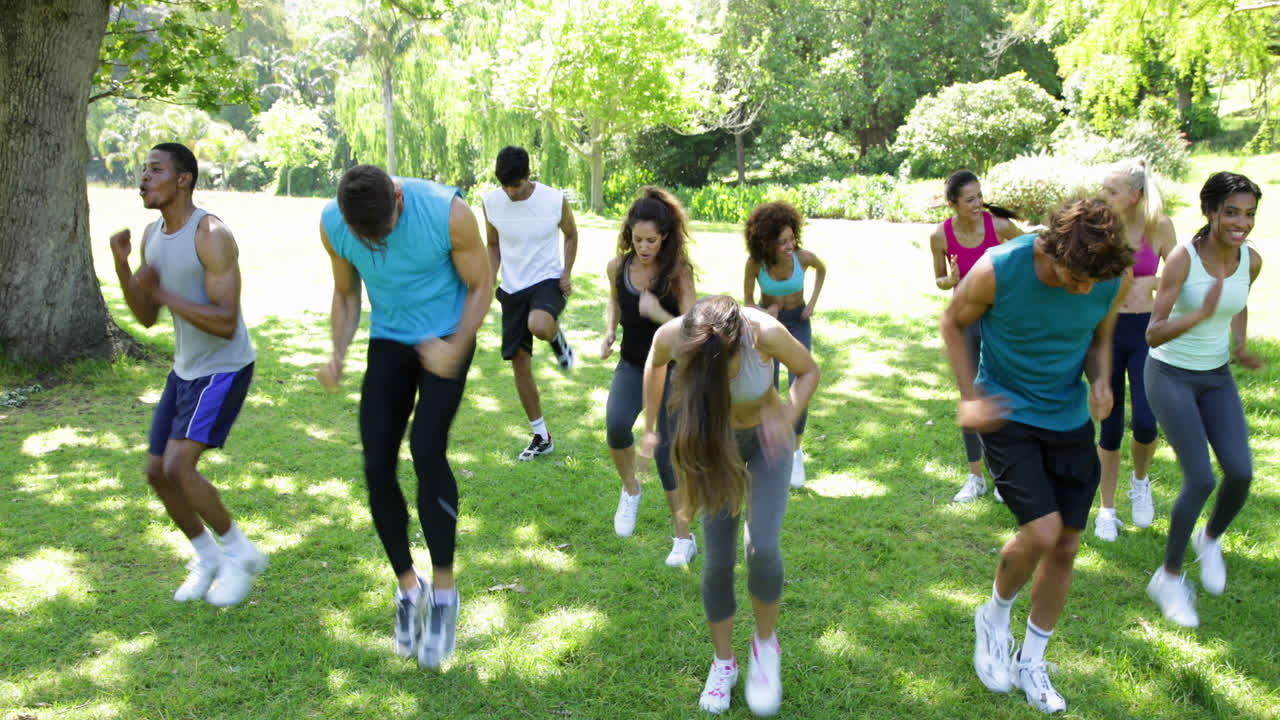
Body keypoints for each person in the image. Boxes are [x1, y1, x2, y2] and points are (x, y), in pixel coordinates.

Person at [941, 198, 1133, 714]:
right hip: (1008, 414)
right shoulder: (999, 270)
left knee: (1067, 546)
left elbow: (1101, 335)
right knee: (1042, 533)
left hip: (1068, 419)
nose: (1085, 290)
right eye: (1075, 278)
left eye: (1095, 281)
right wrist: (969, 396)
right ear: (1052, 249)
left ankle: (1032, 661)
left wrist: (1100, 380)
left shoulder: (1105, 278)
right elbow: (953, 321)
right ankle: (994, 616)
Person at [316, 164, 492, 669]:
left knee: (427, 448)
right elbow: (348, 293)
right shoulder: (333, 224)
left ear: (398, 197)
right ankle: (407, 587)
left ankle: (443, 592)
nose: (375, 244)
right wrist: (338, 353)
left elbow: (481, 284)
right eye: (363, 236)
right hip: (389, 340)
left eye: (384, 232)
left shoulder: (447, 213)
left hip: (444, 335)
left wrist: (456, 347)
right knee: (376, 463)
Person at [642, 295, 819, 716]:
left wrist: (788, 413)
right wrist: (650, 427)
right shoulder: (679, 336)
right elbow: (654, 359)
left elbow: (808, 370)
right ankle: (724, 662)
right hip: (713, 445)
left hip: (765, 443)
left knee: (762, 547)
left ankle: (764, 645)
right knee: (717, 563)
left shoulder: (764, 333)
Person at [108, 142, 265, 607]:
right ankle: (207, 555)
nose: (143, 178)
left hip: (223, 367)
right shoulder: (151, 236)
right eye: (143, 171)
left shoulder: (210, 233)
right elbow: (146, 316)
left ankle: (241, 553)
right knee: (157, 471)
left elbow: (224, 321)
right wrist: (122, 267)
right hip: (185, 370)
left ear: (183, 180)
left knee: (179, 466)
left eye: (155, 170)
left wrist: (165, 295)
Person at [1143, 172, 1264, 629]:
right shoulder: (1181, 259)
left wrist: (1240, 344)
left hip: (1215, 378)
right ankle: (1169, 578)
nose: (1242, 222)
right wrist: (1198, 315)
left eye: (1249, 213)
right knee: (1199, 479)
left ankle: (1208, 538)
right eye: (1232, 212)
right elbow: (1153, 334)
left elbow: (1239, 301)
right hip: (1170, 375)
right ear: (1210, 212)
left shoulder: (1251, 261)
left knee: (1241, 472)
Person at [602, 188, 698, 565]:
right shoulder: (618, 267)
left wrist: (658, 313)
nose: (644, 247)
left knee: (667, 455)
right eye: (638, 239)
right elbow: (614, 301)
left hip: (673, 369)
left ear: (665, 237)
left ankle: (683, 537)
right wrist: (610, 331)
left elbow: (694, 327)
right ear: (629, 235)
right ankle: (631, 488)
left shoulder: (678, 272)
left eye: (652, 241)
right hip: (631, 365)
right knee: (616, 428)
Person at [1093, 158, 1177, 541]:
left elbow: (1180, 279)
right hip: (1108, 331)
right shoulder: (1098, 227)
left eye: (1111, 191)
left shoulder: (1160, 227)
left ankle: (1139, 481)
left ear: (1134, 195)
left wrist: (1152, 280)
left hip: (1145, 332)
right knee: (1109, 422)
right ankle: (1106, 510)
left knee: (1145, 420)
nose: (1103, 197)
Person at [929, 170, 1023, 503]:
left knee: (1001, 393)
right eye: (970, 199)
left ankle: (1004, 476)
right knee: (970, 396)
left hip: (1000, 321)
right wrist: (949, 279)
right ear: (952, 204)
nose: (978, 203)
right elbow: (939, 279)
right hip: (964, 321)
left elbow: (1030, 256)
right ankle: (975, 477)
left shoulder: (998, 227)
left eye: (980, 196)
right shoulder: (940, 236)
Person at [482, 146, 578, 460]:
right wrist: (488, 278)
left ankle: (555, 337)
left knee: (538, 324)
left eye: (517, 186)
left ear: (528, 177)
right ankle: (541, 435)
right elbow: (493, 245)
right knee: (520, 364)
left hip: (547, 280)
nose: (511, 192)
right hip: (512, 289)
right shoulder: (491, 203)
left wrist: (567, 271)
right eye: (506, 186)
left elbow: (571, 234)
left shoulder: (553, 200)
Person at [743, 201, 827, 488]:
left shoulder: (803, 258)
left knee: (799, 386)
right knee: (769, 388)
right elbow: (748, 303)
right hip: (770, 327)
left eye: (792, 239)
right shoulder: (756, 265)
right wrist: (765, 313)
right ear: (766, 243)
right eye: (782, 242)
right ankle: (769, 451)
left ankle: (795, 450)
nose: (790, 245)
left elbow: (822, 270)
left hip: (798, 323)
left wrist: (812, 303)